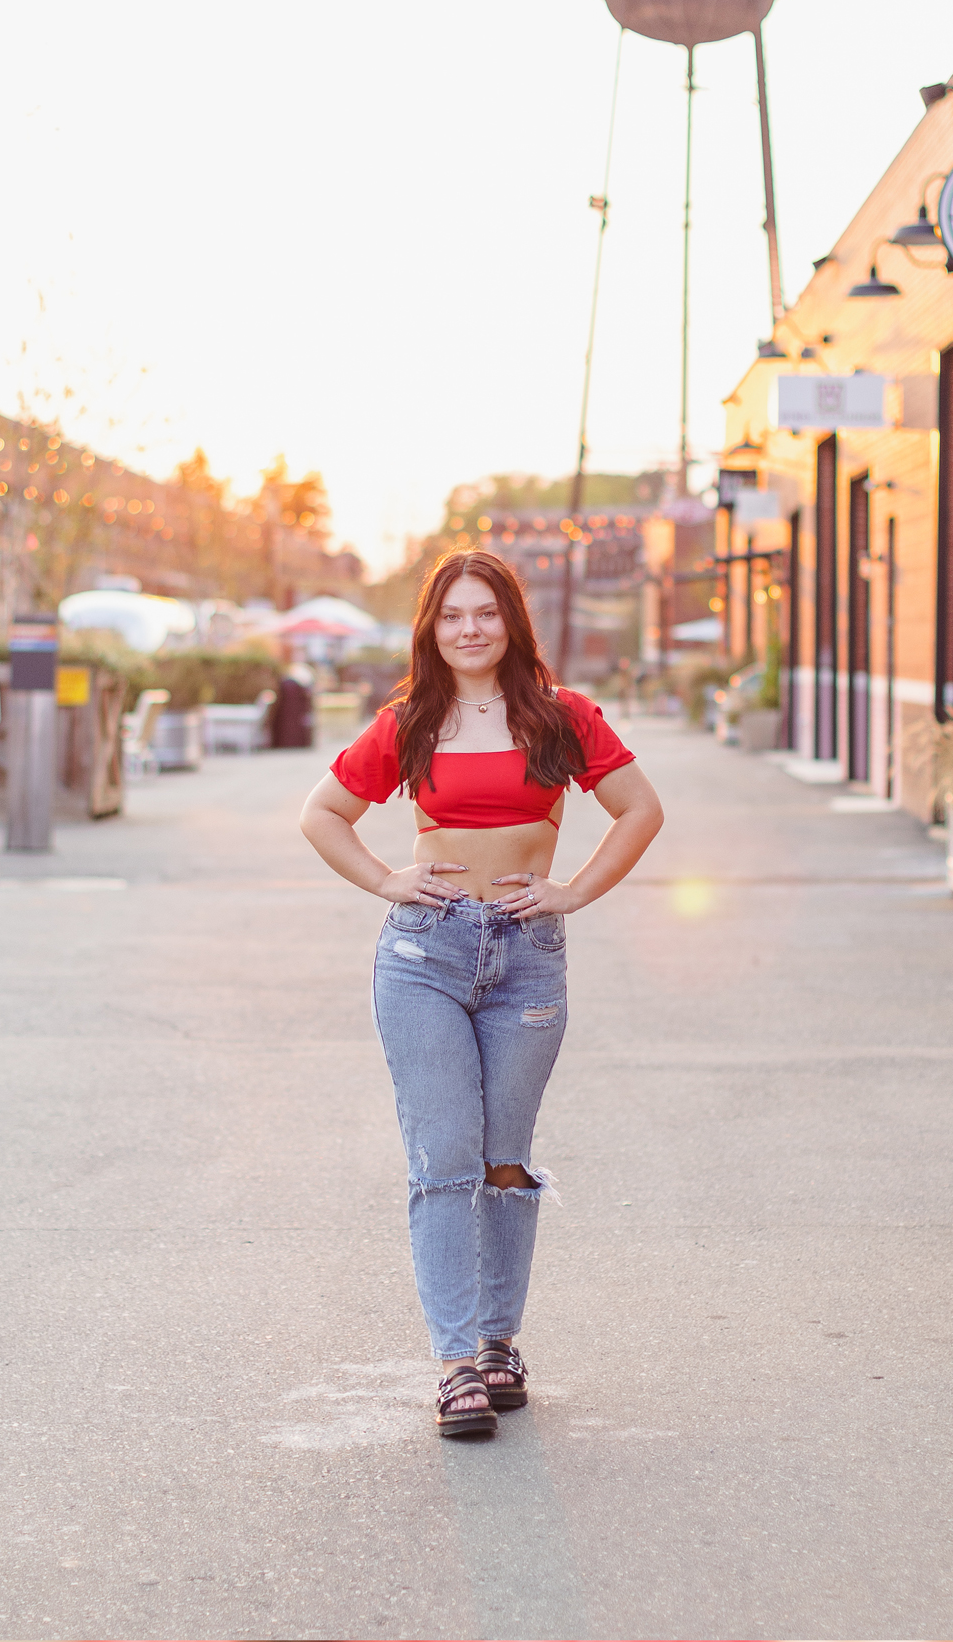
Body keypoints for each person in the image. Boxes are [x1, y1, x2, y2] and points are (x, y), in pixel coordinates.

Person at [301, 549, 663, 1436]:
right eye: (453, 614)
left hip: (528, 957)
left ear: (511, 622)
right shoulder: (411, 719)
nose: (470, 628)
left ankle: (501, 1343)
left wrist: (574, 890)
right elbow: (321, 814)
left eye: (486, 613)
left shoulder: (560, 715)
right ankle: (457, 1362)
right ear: (433, 626)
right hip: (425, 955)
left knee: (505, 1157)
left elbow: (641, 809)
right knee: (445, 1155)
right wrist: (388, 881)